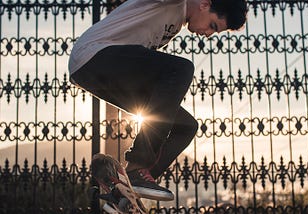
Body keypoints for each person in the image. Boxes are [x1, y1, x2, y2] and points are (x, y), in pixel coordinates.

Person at [69, 0, 247, 201]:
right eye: (213, 26)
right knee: (181, 69)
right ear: (205, 4)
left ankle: (126, 187)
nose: (208, 34)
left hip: (109, 73)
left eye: (215, 32)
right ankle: (138, 165)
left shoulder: (177, 22)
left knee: (186, 126)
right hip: (94, 57)